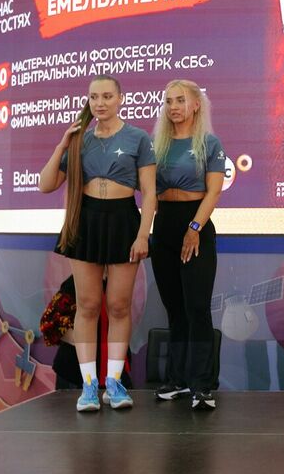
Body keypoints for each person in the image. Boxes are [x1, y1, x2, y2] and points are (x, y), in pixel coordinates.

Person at [39, 75, 156, 411]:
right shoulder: (80, 141)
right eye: (94, 97)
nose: (100, 103)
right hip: (85, 223)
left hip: (123, 222)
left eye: (106, 96)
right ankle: (89, 386)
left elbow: (149, 193)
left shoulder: (138, 138)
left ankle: (114, 383)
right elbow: (46, 184)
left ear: (120, 99)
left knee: (119, 306)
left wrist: (143, 234)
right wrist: (62, 145)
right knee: (88, 305)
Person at [149, 80, 225, 410]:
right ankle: (177, 380)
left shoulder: (209, 143)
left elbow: (214, 191)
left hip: (196, 224)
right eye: (168, 101)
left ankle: (203, 385)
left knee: (197, 307)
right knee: (175, 308)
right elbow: (149, 192)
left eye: (180, 100)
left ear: (196, 104)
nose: (173, 107)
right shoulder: (156, 145)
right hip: (164, 225)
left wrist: (194, 227)